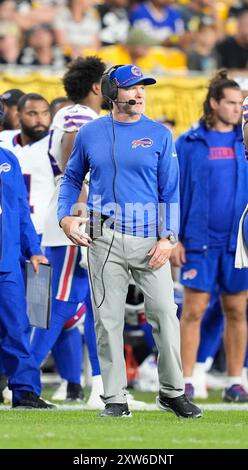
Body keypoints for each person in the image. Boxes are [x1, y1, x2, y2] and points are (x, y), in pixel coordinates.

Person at [58, 63, 202, 418]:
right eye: (131, 87)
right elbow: (72, 177)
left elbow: (171, 190)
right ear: (111, 93)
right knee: (107, 320)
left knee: (167, 316)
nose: (139, 93)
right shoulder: (90, 133)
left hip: (150, 238)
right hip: (101, 233)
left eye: (143, 87)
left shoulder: (159, 134)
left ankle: (171, 392)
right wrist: (65, 215)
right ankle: (115, 399)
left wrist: (169, 238)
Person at [33, 57, 106, 406]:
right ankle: (22, 377)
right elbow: (72, 166)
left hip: (79, 217)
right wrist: (79, 216)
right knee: (62, 303)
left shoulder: (74, 113)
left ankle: (102, 386)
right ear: (96, 87)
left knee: (97, 305)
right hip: (73, 220)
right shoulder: (79, 116)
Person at [171, 70, 248, 402]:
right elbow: (171, 191)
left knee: (236, 310)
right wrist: (172, 237)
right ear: (214, 103)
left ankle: (235, 381)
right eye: (231, 103)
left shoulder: (244, 141)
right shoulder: (188, 143)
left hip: (238, 244)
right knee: (193, 311)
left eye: (240, 103)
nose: (237, 109)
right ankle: (184, 381)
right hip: (198, 241)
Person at [0, 101, 54, 409]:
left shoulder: (8, 159)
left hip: (6, 263)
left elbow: (20, 211)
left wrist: (33, 250)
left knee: (16, 328)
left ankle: (24, 392)